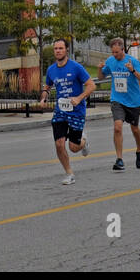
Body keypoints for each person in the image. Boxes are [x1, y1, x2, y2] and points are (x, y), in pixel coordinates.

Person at [40, 38, 96, 184]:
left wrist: (79, 98)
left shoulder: (76, 67)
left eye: (60, 48)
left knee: (74, 147)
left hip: (76, 111)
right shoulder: (51, 69)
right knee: (59, 144)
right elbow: (47, 86)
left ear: (66, 50)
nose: (57, 51)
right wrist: (44, 98)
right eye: (55, 48)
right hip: (60, 111)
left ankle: (83, 141)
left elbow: (91, 85)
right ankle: (69, 173)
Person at [99, 37, 140, 171]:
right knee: (117, 127)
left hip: (133, 101)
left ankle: (139, 149)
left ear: (122, 49)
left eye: (117, 52)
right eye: (113, 52)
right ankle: (119, 159)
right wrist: (100, 69)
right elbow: (101, 77)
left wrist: (132, 70)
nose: (114, 55)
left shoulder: (132, 61)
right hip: (117, 99)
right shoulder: (110, 61)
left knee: (135, 128)